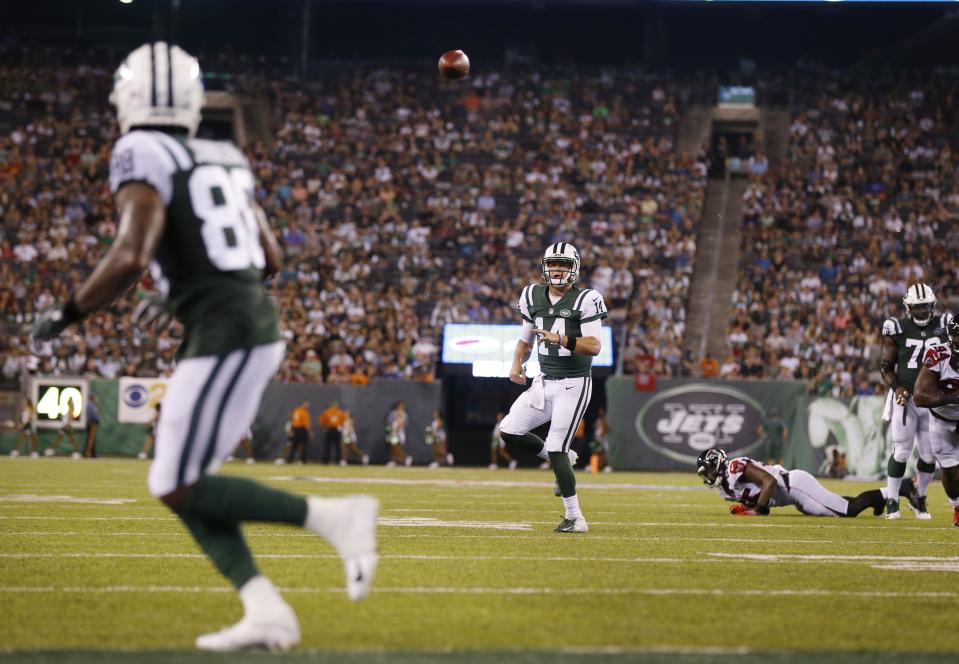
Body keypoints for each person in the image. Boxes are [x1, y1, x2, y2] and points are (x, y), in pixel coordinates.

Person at [29, 42, 378, 651]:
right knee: (180, 479)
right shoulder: (222, 153)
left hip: (227, 330)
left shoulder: (140, 150)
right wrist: (191, 287)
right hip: (237, 321)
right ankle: (265, 608)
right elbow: (269, 256)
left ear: (131, 97)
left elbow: (131, 254)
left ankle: (333, 518)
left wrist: (67, 313)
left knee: (175, 482)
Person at [499, 242, 607, 533]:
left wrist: (561, 340)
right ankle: (562, 459)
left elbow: (594, 346)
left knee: (557, 445)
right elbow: (526, 338)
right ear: (545, 267)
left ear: (575, 269)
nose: (558, 270)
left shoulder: (587, 298)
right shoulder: (531, 293)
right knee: (509, 431)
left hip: (574, 384)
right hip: (543, 382)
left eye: (564, 264)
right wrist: (516, 363)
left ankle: (576, 518)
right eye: (554, 264)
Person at [879, 283, 950, 519]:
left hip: (931, 399)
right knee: (901, 451)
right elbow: (886, 366)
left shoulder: (944, 325)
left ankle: (919, 498)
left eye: (926, 307)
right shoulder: (896, 327)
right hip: (905, 396)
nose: (922, 312)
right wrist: (897, 387)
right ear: (908, 307)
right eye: (917, 308)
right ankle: (892, 500)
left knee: (930, 455)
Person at [696, 448, 918, 518]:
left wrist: (759, 510)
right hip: (792, 497)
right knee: (838, 504)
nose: (707, 477)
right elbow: (754, 492)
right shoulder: (725, 487)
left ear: (716, 464)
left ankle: (901, 488)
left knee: (847, 511)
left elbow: (769, 481)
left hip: (795, 485)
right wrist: (748, 507)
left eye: (707, 471)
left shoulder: (734, 467)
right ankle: (879, 499)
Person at [912, 317, 959, 528]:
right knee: (950, 472)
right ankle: (957, 507)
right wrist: (951, 398)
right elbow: (920, 396)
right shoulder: (938, 355)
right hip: (942, 420)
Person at [317, 401, 346, 465]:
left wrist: (323, 428)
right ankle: (336, 461)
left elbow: (321, 421)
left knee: (334, 446)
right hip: (333, 430)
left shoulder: (336, 412)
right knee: (335, 446)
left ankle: (331, 461)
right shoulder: (335, 412)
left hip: (334, 430)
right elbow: (322, 421)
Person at [385, 400, 411, 467]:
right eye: (400, 405)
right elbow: (389, 423)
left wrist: (397, 429)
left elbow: (404, 424)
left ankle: (406, 458)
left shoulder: (404, 414)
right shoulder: (393, 413)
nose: (401, 407)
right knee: (393, 447)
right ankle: (394, 461)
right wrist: (392, 431)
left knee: (398, 447)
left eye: (402, 406)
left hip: (400, 433)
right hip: (393, 432)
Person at [588, 408, 612, 473]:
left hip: (603, 440)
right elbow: (595, 429)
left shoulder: (604, 420)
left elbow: (607, 429)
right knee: (595, 453)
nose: (600, 413)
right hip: (597, 440)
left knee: (604, 453)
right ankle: (594, 466)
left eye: (602, 412)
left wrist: (602, 434)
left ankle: (607, 467)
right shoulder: (597, 420)